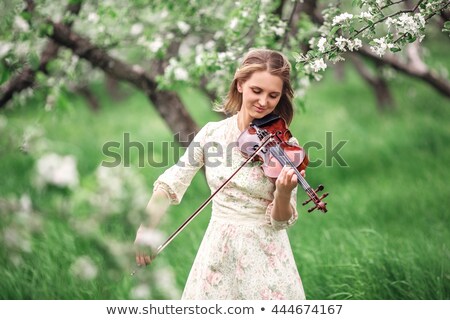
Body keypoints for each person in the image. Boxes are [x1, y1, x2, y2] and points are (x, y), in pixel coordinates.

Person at [135, 48, 306, 299]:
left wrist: (283, 192)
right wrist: (145, 230)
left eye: (273, 95)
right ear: (240, 85)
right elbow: (172, 182)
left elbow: (281, 221)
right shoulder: (212, 134)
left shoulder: (284, 147)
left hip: (266, 254)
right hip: (218, 252)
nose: (263, 102)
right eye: (256, 91)